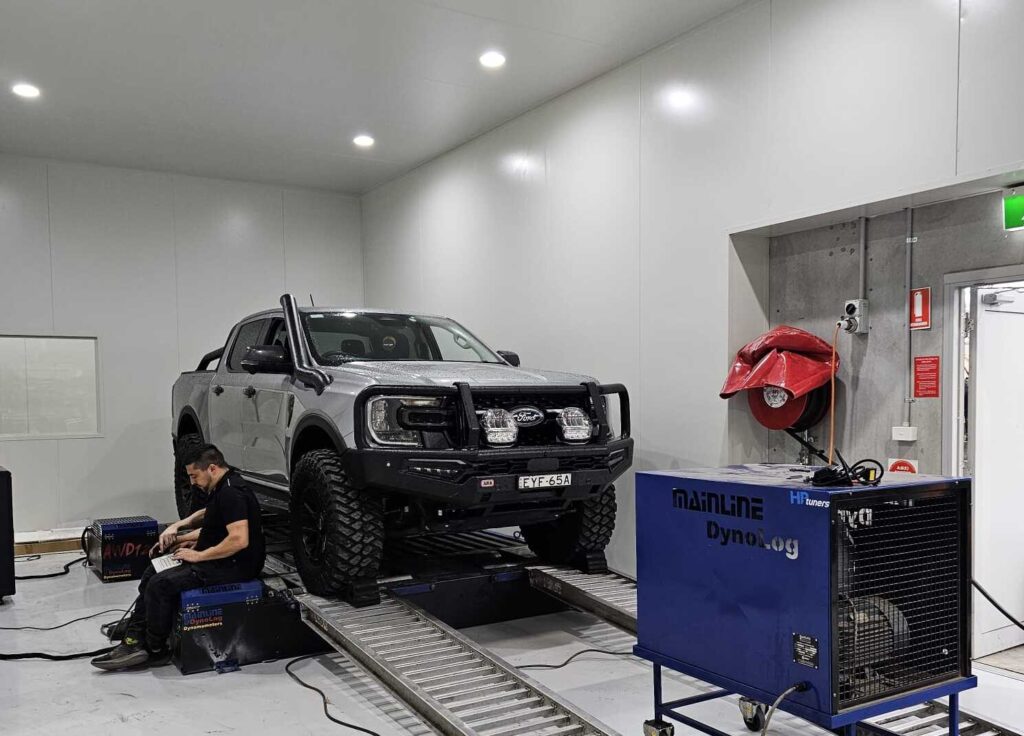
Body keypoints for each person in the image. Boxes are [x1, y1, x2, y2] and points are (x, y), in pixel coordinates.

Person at [91, 444, 265, 671]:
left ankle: (154, 649)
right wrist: (178, 531)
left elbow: (238, 540)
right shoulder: (223, 485)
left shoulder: (232, 492)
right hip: (223, 558)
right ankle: (138, 629)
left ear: (211, 468)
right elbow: (210, 518)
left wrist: (199, 555)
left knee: (161, 584)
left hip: (235, 565)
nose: (192, 482)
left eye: (194, 476)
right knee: (153, 569)